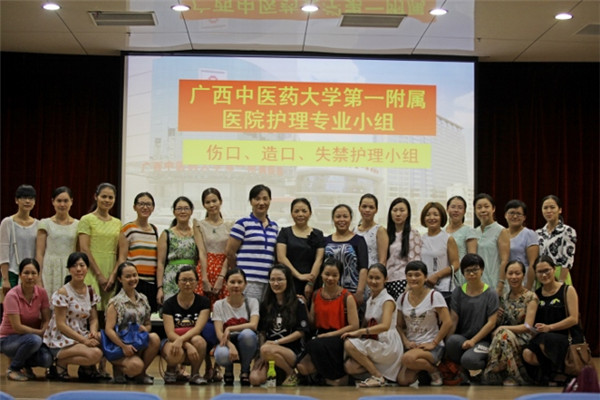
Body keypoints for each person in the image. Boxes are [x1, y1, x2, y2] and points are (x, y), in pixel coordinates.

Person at [296, 257, 359, 386]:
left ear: (340, 276)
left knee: (313, 345)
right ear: (321, 274)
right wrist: (304, 305)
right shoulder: (316, 294)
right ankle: (333, 379)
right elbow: (312, 323)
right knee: (302, 366)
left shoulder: (347, 296)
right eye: (327, 274)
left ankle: (334, 377)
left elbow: (354, 326)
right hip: (320, 336)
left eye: (334, 275)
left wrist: (329, 335)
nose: (330, 278)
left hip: (339, 336)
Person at [42, 252, 104, 381]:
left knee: (103, 339)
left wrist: (93, 332)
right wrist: (84, 341)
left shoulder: (90, 291)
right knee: (96, 354)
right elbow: (61, 325)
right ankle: (59, 362)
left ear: (87, 268)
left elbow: (93, 318)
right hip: (62, 339)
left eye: (82, 265)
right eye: (74, 266)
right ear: (69, 269)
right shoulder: (63, 292)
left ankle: (86, 368)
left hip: (81, 333)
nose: (78, 269)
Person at [342, 263, 403, 387]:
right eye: (371, 277)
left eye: (377, 278)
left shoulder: (387, 300)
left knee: (349, 344)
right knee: (350, 366)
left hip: (387, 343)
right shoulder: (370, 299)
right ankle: (379, 377)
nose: (373, 281)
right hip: (374, 340)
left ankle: (377, 376)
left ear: (385, 279)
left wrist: (360, 332)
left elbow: (385, 326)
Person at [523, 255, 581, 385]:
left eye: (547, 270)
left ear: (554, 269)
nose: (544, 275)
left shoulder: (567, 290)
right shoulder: (536, 294)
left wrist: (550, 327)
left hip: (567, 337)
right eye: (540, 272)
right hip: (544, 336)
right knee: (527, 353)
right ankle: (551, 373)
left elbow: (573, 319)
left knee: (546, 340)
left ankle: (560, 373)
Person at [249, 264, 310, 387]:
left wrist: (276, 343)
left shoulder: (298, 302)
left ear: (288, 281)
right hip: (268, 351)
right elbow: (262, 332)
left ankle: (291, 373)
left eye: (280, 279)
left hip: (291, 351)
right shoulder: (265, 304)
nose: (276, 283)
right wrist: (262, 355)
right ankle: (280, 373)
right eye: (272, 279)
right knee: (255, 379)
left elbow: (301, 332)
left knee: (267, 349)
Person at [396, 260, 452, 386]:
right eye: (410, 275)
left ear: (425, 277)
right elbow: (398, 325)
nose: (413, 278)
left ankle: (434, 371)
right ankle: (424, 371)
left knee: (407, 359)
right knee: (403, 380)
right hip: (412, 346)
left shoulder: (434, 296)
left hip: (432, 346)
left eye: (417, 275)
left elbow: (448, 322)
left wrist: (434, 343)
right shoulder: (402, 298)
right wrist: (406, 342)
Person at [482, 260, 537, 386]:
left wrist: (503, 327)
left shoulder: (531, 297)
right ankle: (503, 371)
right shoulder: (504, 297)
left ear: (523, 275)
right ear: (506, 275)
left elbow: (527, 326)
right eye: (510, 273)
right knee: (503, 336)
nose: (514, 277)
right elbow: (499, 322)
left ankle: (499, 370)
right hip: (506, 336)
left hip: (524, 336)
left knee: (504, 334)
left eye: (517, 273)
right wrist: (498, 317)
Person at [104, 262, 160, 384]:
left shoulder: (143, 299)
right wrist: (123, 346)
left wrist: (146, 329)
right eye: (128, 276)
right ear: (120, 279)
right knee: (135, 365)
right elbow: (109, 329)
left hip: (138, 343)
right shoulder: (115, 302)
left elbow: (148, 323)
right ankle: (119, 369)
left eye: (135, 275)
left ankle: (140, 374)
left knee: (155, 338)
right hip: (120, 344)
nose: (132, 279)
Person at [446, 253, 499, 383]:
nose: (471, 274)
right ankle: (462, 372)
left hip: (483, 341)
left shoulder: (491, 293)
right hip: (463, 339)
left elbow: (491, 323)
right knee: (451, 341)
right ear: (463, 273)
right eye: (467, 271)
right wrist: (445, 346)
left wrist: (473, 340)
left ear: (482, 270)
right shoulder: (458, 292)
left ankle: (484, 370)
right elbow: (453, 319)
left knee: (469, 360)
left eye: (475, 270)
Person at [0, 258, 52, 381]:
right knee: (34, 341)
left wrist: (45, 328)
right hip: (8, 339)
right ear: (20, 275)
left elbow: (46, 319)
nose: (30, 277)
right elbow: (17, 327)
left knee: (47, 359)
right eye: (26, 273)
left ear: (38, 275)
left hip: (31, 337)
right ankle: (13, 368)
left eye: (33, 273)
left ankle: (25, 365)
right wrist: (39, 333)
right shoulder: (12, 296)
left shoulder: (42, 293)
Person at [226, 184, 279, 302]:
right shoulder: (242, 224)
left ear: (270, 200)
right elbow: (230, 253)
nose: (261, 202)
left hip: (268, 281)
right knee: (250, 312)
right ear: (251, 201)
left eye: (265, 199)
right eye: (257, 199)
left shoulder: (274, 226)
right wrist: (239, 275)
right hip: (249, 280)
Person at [160, 265, 211, 385]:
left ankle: (195, 374)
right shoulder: (168, 304)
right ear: (177, 282)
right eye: (184, 280)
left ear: (197, 282)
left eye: (191, 280)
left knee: (200, 341)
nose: (187, 283)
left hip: (191, 338)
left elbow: (198, 329)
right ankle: (171, 369)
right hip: (173, 340)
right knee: (176, 352)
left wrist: (182, 340)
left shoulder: (204, 302)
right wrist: (186, 345)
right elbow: (170, 333)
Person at [110, 192, 159, 313]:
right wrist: (114, 277)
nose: (145, 207)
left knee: (147, 317)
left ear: (153, 208)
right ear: (134, 207)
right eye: (141, 204)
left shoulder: (154, 229)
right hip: (134, 281)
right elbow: (122, 258)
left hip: (151, 283)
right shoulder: (128, 229)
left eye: (148, 204)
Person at [77, 183, 121, 313]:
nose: (107, 200)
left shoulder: (118, 223)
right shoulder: (86, 219)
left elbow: (120, 252)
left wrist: (113, 275)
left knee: (109, 311)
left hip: (111, 268)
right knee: (91, 309)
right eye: (104, 196)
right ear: (96, 197)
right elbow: (84, 249)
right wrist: (99, 275)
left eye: (110, 197)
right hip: (91, 268)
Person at [212, 268, 259, 386]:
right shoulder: (218, 304)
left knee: (247, 334)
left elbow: (253, 325)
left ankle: (245, 370)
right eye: (232, 282)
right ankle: (228, 371)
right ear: (226, 284)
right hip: (227, 342)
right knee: (221, 355)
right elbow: (219, 332)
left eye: (239, 282)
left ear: (245, 284)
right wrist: (230, 345)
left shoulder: (252, 302)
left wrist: (229, 328)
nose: (236, 285)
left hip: (247, 343)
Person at [35, 186, 79, 301]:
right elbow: (39, 253)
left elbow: (79, 251)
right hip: (49, 268)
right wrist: (38, 278)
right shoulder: (45, 223)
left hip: (70, 267)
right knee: (48, 302)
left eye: (66, 201)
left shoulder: (78, 224)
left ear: (71, 202)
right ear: (53, 202)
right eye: (59, 201)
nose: (62, 204)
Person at [276, 198, 325, 298]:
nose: (300, 214)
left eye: (304, 211)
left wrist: (310, 282)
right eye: (296, 211)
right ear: (291, 213)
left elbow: (319, 260)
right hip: (289, 281)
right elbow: (281, 258)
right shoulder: (285, 233)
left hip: (311, 282)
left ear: (310, 213)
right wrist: (299, 275)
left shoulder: (318, 234)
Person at [193, 188, 233, 307]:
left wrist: (221, 277)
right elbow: (202, 252)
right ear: (203, 205)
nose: (211, 205)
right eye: (208, 202)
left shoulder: (230, 225)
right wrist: (204, 278)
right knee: (202, 308)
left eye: (214, 201)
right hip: (205, 269)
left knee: (223, 308)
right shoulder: (199, 224)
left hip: (224, 269)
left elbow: (229, 253)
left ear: (220, 201)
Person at [156, 196, 198, 306]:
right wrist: (160, 287)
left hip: (192, 278)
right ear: (174, 212)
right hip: (171, 279)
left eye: (186, 208)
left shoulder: (196, 233)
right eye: (179, 209)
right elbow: (160, 263)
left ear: (191, 211)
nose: (183, 211)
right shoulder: (166, 234)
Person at [324, 204, 369, 307]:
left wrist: (360, 291)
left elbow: (363, 268)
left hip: (352, 292)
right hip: (329, 292)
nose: (342, 220)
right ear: (333, 219)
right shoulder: (326, 240)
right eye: (338, 216)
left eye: (345, 216)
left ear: (350, 218)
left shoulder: (359, 240)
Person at [1, 185, 38, 295]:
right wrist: (5, 279)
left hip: (31, 274)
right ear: (16, 200)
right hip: (13, 273)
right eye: (24, 198)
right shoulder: (7, 223)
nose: (27, 201)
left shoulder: (38, 224)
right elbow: (3, 253)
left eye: (31, 198)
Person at [385, 197, 422, 300]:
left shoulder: (413, 233)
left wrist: (409, 285)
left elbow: (415, 262)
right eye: (395, 210)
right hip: (386, 282)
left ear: (408, 213)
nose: (398, 214)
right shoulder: (386, 234)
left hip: (403, 281)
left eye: (402, 210)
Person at [535, 195, 577, 287]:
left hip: (559, 274)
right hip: (541, 275)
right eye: (545, 208)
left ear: (560, 210)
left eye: (552, 207)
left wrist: (561, 282)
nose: (548, 211)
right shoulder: (538, 233)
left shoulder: (567, 231)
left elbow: (568, 259)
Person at [473, 193, 510, 295]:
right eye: (479, 207)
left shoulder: (501, 230)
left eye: (486, 206)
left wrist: (500, 285)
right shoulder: (474, 232)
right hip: (478, 284)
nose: (483, 210)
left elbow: (504, 260)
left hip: (495, 284)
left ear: (493, 209)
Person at [419, 202, 459, 295]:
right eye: (428, 215)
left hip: (444, 288)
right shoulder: (421, 239)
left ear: (442, 217)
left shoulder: (448, 238)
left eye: (436, 215)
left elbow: (456, 264)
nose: (432, 218)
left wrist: (437, 276)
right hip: (425, 287)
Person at [503, 200, 539, 290]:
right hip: (505, 279)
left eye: (519, 214)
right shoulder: (500, 233)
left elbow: (532, 264)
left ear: (524, 217)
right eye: (511, 213)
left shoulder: (529, 234)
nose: (515, 216)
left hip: (523, 279)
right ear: (505, 215)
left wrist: (528, 288)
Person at [445, 195, 478, 287]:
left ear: (464, 211)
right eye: (453, 207)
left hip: (462, 274)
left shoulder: (469, 231)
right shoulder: (442, 232)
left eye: (460, 208)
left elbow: (472, 258)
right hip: (444, 273)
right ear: (447, 209)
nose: (456, 210)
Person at [354, 193, 388, 269]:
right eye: (364, 206)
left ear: (376, 210)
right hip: (355, 273)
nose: (367, 210)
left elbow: (382, 261)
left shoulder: (380, 230)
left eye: (371, 207)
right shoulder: (354, 230)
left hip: (372, 274)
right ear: (359, 208)